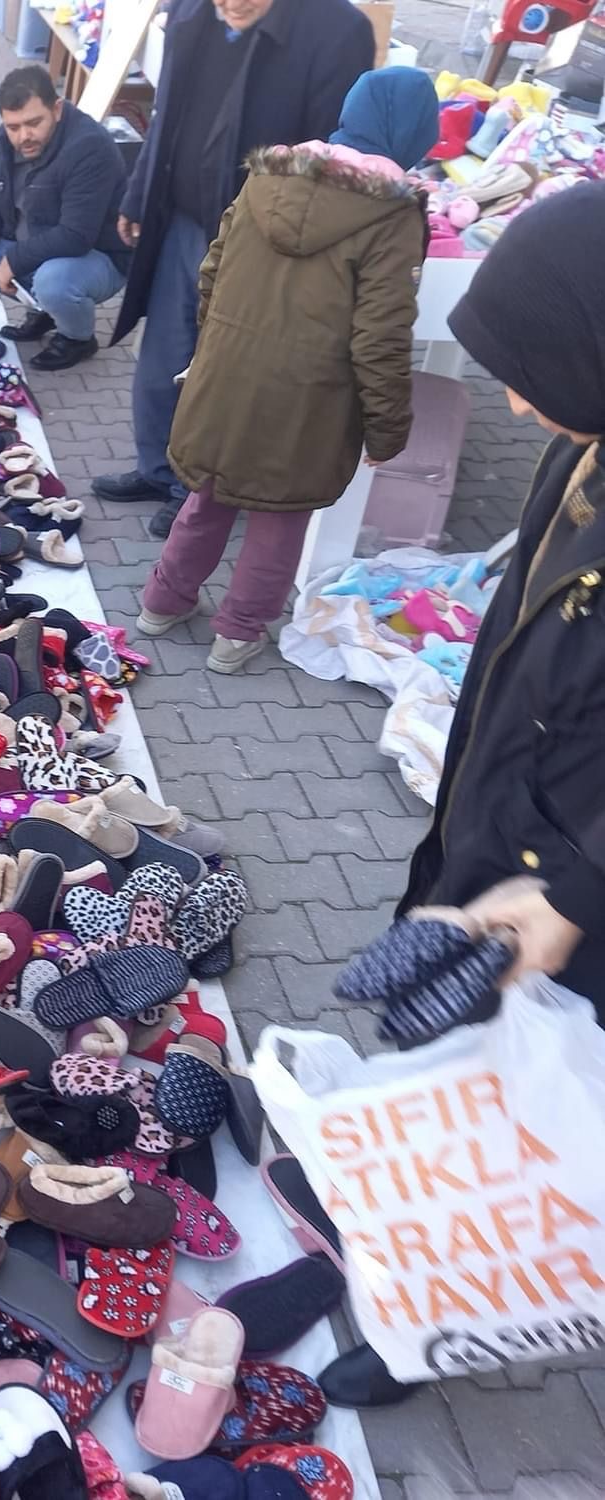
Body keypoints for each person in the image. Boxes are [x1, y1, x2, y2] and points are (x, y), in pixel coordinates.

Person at [320, 181, 605, 1412]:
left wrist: (576, 887)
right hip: (506, 824)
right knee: (455, 1061)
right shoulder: (584, 448)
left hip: (574, 877)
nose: (512, 399)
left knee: (554, 1100)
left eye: (531, 366)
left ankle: (469, 1303)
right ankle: (419, 1285)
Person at [137, 67, 439, 673]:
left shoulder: (268, 176)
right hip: (310, 397)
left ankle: (161, 603)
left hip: (227, 373)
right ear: (413, 132)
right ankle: (237, 634)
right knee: (281, 516)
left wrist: (220, 347)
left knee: (211, 492)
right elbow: (380, 336)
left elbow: (211, 273)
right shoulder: (393, 215)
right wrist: (387, 431)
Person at [90, 0, 374, 539]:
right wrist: (138, 193)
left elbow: (335, 156)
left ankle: (193, 489)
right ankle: (157, 469)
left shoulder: (339, 30)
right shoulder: (190, 13)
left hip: (259, 237)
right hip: (181, 216)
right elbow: (167, 113)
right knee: (162, 354)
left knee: (219, 367)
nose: (232, 3)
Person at [0, 65, 130, 373]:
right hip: (37, 243)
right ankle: (46, 313)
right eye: (13, 126)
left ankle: (78, 338)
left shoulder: (89, 147)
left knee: (53, 282)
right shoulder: (7, 139)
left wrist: (14, 260)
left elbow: (76, 235)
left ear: (56, 109)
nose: (23, 136)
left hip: (99, 255)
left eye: (33, 123)